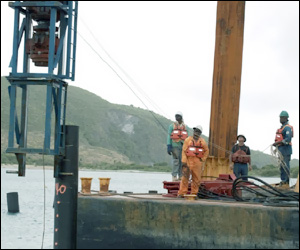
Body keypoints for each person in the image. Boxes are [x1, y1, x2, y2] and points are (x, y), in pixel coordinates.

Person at [177, 125, 209, 197]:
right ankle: (182, 193)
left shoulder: (203, 142)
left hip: (197, 161)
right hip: (188, 160)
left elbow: (206, 151)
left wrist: (202, 159)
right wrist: (184, 161)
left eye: (198, 131)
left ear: (200, 133)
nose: (196, 132)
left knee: (196, 179)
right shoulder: (187, 140)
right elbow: (184, 151)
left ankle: (194, 193)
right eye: (195, 131)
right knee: (185, 177)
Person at [167, 111, 189, 181]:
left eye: (178, 116)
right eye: (176, 116)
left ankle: (181, 176)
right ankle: (174, 176)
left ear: (181, 117)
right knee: (176, 161)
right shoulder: (171, 126)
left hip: (183, 146)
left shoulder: (185, 127)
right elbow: (169, 136)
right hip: (174, 146)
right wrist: (169, 145)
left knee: (182, 161)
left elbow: (188, 138)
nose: (177, 117)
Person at [273, 111, 293, 186]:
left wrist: (278, 143)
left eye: (282, 118)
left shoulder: (287, 128)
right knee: (282, 166)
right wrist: (276, 144)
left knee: (285, 165)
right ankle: (283, 180)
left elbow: (288, 139)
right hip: (281, 150)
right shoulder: (281, 128)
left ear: (286, 118)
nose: (280, 119)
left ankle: (286, 181)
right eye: (280, 118)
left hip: (286, 149)